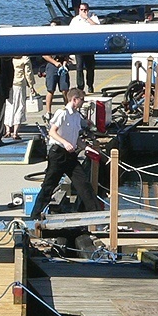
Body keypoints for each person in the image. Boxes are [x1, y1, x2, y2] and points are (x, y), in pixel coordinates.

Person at [27, 88, 104, 221]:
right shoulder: (62, 113)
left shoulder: (76, 116)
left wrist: (86, 147)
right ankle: (34, 216)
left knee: (83, 184)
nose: (82, 103)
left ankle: (97, 215)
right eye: (81, 100)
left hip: (70, 156)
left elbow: (76, 138)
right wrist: (65, 142)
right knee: (48, 186)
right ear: (74, 99)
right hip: (58, 154)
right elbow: (52, 132)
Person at [42, 18, 72, 120]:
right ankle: (48, 112)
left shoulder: (63, 40)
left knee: (65, 89)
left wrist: (64, 63)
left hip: (62, 66)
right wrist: (55, 63)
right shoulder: (47, 40)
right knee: (50, 90)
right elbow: (45, 55)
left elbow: (67, 54)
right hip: (52, 65)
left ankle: (67, 109)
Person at [68, 2, 100, 93]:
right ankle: (80, 87)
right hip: (79, 46)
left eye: (85, 10)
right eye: (81, 10)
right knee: (79, 67)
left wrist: (87, 18)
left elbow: (98, 27)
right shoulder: (75, 20)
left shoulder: (93, 17)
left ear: (88, 10)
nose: (83, 11)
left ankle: (90, 84)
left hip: (90, 46)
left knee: (90, 67)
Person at [4, 55, 32, 140]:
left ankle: (8, 130)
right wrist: (31, 85)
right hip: (19, 84)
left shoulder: (8, 57)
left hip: (9, 83)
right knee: (19, 106)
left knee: (9, 106)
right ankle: (15, 132)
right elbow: (28, 73)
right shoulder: (25, 59)